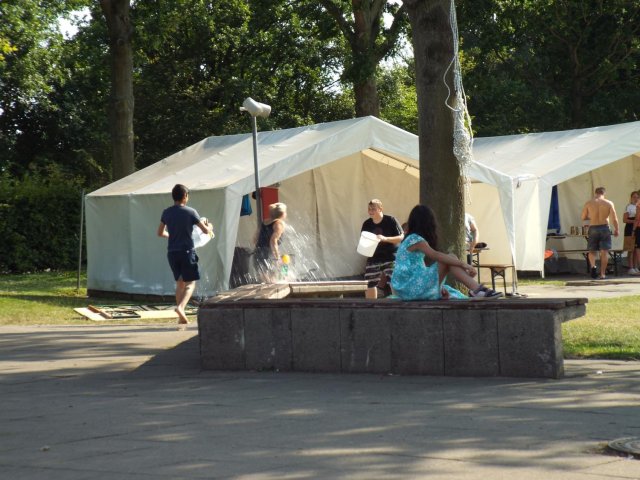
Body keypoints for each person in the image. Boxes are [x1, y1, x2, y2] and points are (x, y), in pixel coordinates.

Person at [391, 205, 502, 300]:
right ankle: (476, 289)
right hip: (410, 288)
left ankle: (475, 288)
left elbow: (418, 270)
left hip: (407, 288)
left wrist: (438, 288)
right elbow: (436, 255)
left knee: (450, 258)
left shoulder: (409, 239)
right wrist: (464, 264)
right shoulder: (415, 239)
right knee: (447, 259)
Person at [157, 184, 213, 326]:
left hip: (172, 252)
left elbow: (160, 233)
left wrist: (172, 235)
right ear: (185, 196)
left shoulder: (166, 212)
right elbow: (205, 231)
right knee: (191, 283)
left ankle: (181, 317)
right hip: (187, 251)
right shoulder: (191, 212)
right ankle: (181, 308)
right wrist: (210, 226)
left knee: (180, 283)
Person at [361, 199, 404, 299]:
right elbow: (363, 239)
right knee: (370, 283)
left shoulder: (391, 220)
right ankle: (371, 305)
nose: (370, 211)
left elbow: (401, 237)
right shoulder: (366, 224)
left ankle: (398, 303)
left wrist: (385, 238)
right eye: (369, 209)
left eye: (373, 209)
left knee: (394, 281)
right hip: (374, 257)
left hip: (390, 257)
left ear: (380, 209)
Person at [581, 186, 619, 279]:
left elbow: (583, 217)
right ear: (604, 193)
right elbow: (614, 218)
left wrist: (592, 216)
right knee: (604, 252)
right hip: (605, 227)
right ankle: (602, 274)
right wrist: (617, 229)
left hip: (593, 227)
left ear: (596, 193)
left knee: (592, 250)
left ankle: (593, 266)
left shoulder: (589, 203)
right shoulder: (609, 203)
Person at [254, 202, 287, 283]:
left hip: (258, 253)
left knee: (264, 281)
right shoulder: (279, 224)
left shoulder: (264, 222)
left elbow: (254, 239)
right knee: (275, 280)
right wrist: (277, 257)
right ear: (283, 214)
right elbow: (273, 241)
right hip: (268, 254)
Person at [622, 191, 639, 274]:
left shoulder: (638, 206)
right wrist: (635, 221)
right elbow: (624, 219)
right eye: (634, 197)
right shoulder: (629, 206)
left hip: (637, 228)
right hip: (629, 228)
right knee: (631, 249)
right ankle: (631, 267)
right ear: (631, 198)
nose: (636, 199)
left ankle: (635, 267)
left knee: (636, 248)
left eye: (637, 197)